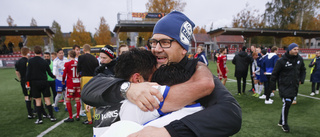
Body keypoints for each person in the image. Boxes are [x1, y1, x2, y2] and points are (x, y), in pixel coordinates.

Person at [82, 11, 241, 137]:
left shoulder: (195, 74)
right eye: (154, 42)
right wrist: (127, 88)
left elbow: (231, 114)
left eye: (165, 42)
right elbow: (90, 89)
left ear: (183, 48)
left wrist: (170, 131)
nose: (156, 48)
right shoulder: (148, 63)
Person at [269, 43, 306, 132]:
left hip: (294, 86)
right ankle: (285, 124)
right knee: (287, 103)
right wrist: (273, 87)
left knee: (288, 105)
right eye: (294, 49)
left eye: (297, 49)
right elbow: (274, 74)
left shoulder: (299, 59)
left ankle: (281, 121)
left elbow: (303, 70)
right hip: (284, 86)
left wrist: (302, 79)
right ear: (290, 50)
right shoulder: (281, 61)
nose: (296, 51)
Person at [26, 46, 56, 124]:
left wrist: (27, 83)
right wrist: (53, 77)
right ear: (41, 52)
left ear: (34, 52)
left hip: (35, 83)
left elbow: (28, 74)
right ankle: (52, 117)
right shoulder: (44, 61)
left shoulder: (31, 61)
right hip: (44, 82)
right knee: (47, 100)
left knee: (38, 101)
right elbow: (49, 72)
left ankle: (40, 119)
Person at [77, 44, 99, 125]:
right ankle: (95, 116)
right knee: (94, 98)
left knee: (86, 97)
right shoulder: (95, 58)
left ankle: (89, 119)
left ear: (84, 50)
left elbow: (78, 69)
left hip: (85, 78)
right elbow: (98, 69)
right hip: (93, 78)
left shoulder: (81, 57)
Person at [62, 50, 81, 122]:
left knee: (68, 99)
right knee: (77, 99)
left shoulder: (67, 63)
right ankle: (78, 115)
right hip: (77, 83)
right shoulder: (78, 63)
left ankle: (70, 117)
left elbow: (64, 74)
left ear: (69, 55)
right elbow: (80, 73)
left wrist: (63, 81)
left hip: (70, 84)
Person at [15, 47, 34, 118]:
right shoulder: (29, 61)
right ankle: (31, 112)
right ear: (27, 52)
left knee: (26, 95)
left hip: (23, 80)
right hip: (29, 80)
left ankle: (30, 112)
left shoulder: (18, 61)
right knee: (31, 96)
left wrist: (20, 79)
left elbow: (17, 72)